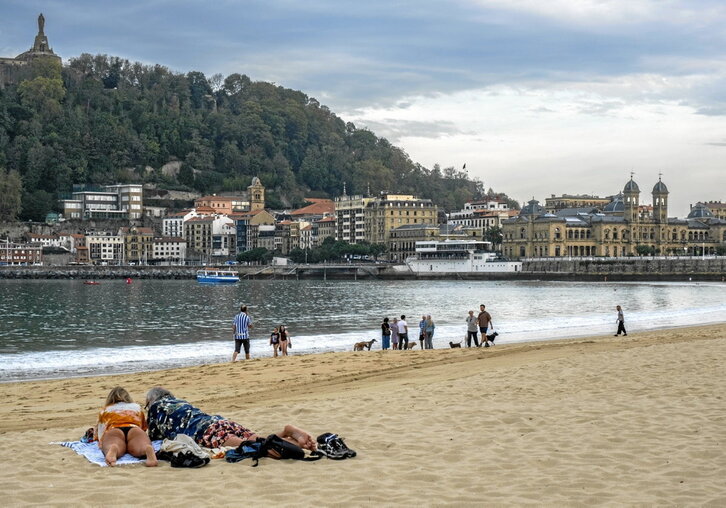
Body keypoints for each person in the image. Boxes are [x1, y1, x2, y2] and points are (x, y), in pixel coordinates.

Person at [145, 387, 316, 451]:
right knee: (253, 439)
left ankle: (294, 444)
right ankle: (287, 432)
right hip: (219, 421)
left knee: (251, 445)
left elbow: (153, 437)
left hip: (204, 431)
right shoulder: (180, 402)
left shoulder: (155, 408)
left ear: (151, 400)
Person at [95, 386, 158, 467]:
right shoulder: (136, 407)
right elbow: (143, 426)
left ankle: (114, 448)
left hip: (114, 429)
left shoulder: (105, 410)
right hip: (134, 428)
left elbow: (100, 431)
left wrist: (101, 441)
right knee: (141, 444)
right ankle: (146, 448)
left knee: (113, 443)